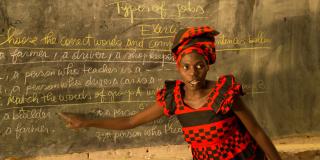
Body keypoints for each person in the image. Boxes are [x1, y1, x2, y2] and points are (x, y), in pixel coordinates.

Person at [59, 26, 281, 160]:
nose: (193, 73)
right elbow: (130, 121)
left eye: (199, 65)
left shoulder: (225, 94)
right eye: (186, 67)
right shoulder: (174, 99)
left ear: (208, 65)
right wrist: (86, 122)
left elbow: (258, 133)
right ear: (178, 68)